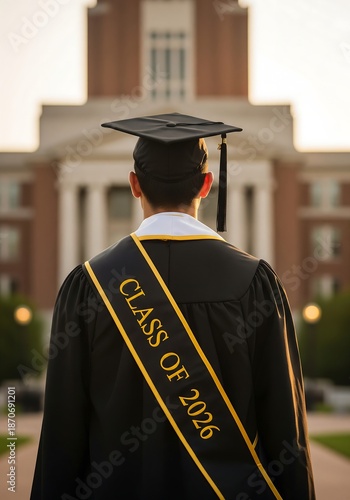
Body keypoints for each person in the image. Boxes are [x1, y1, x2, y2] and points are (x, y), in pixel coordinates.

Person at [31, 113, 315, 500]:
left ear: (134, 185)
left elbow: (62, 440)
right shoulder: (255, 283)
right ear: (206, 184)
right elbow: (287, 433)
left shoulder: (89, 286)